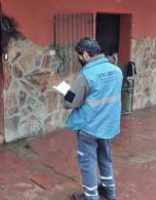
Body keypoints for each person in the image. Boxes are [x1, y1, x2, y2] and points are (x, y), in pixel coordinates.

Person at [61, 37, 123, 200]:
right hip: (108, 126)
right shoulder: (116, 71)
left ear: (87, 55)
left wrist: (65, 91)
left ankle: (90, 196)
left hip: (89, 127)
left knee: (87, 162)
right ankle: (109, 190)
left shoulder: (86, 75)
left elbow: (70, 102)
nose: (79, 59)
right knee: (105, 157)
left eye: (80, 56)